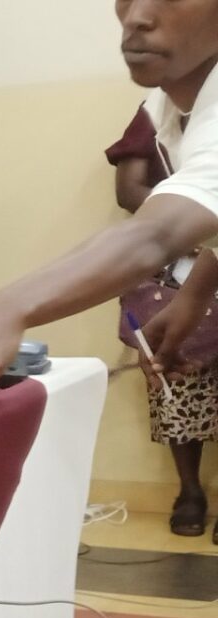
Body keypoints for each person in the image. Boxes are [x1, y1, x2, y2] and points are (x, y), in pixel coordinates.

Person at [0, 0, 218, 405]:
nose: (136, 17)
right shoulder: (168, 100)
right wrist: (192, 298)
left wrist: (2, 311)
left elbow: (156, 233)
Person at [107, 105, 218, 536]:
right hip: (180, 261)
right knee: (176, 376)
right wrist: (186, 229)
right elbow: (129, 189)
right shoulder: (157, 107)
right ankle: (189, 490)